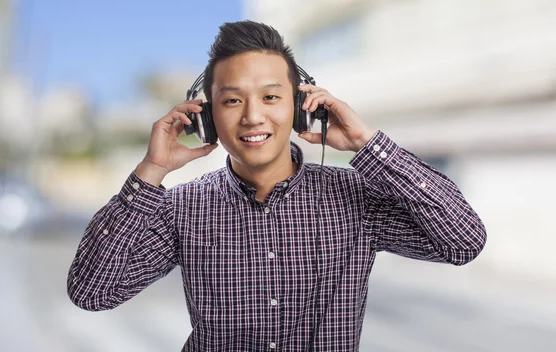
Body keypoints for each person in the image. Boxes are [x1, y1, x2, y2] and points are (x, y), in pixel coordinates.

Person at [67, 20, 487, 351]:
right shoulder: (183, 209)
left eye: (270, 97)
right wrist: (151, 171)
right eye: (232, 100)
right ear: (207, 118)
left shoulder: (356, 198)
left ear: (303, 107)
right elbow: (91, 292)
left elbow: (463, 241)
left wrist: (367, 144)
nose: (252, 116)